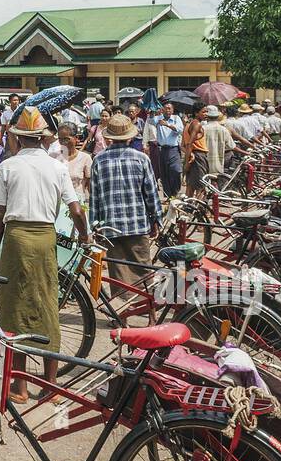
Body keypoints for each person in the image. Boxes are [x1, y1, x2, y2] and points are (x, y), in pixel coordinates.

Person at [0, 107, 90, 403]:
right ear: (44, 140)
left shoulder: (8, 167)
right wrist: (85, 235)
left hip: (16, 240)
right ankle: (50, 386)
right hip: (46, 240)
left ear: (19, 139)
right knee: (48, 307)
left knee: (13, 309)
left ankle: (19, 388)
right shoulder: (57, 167)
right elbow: (76, 210)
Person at [89, 112, 162, 315]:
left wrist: (94, 226)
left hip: (110, 226)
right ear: (130, 137)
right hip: (138, 223)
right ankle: (150, 314)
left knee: (118, 273)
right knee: (144, 270)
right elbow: (151, 193)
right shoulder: (141, 159)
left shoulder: (99, 160)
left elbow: (94, 198)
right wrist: (156, 219)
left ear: (109, 137)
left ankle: (123, 314)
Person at [50, 123, 92, 202]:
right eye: (60, 139)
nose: (63, 142)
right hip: (57, 202)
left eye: (66, 139)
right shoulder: (53, 157)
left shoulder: (85, 158)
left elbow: (90, 186)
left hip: (78, 202)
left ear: (76, 138)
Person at [154, 100, 183, 197]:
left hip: (173, 149)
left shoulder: (176, 118)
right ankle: (168, 195)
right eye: (165, 108)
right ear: (162, 109)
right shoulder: (158, 118)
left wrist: (167, 125)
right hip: (162, 149)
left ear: (173, 110)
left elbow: (179, 129)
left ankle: (175, 192)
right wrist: (151, 111)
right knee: (164, 173)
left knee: (175, 171)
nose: (167, 110)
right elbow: (150, 121)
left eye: (169, 108)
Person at [202, 105, 236, 185]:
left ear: (207, 116)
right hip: (218, 162)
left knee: (204, 183)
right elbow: (231, 146)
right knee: (216, 182)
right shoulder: (223, 129)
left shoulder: (202, 128)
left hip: (204, 161)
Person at [182, 105, 209, 197]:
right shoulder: (197, 125)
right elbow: (189, 144)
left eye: (206, 112)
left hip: (193, 155)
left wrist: (188, 157)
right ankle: (198, 208)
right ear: (196, 113)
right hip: (199, 157)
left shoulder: (188, 125)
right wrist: (186, 162)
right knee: (201, 186)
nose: (206, 114)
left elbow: (183, 145)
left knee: (190, 186)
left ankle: (188, 208)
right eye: (203, 112)